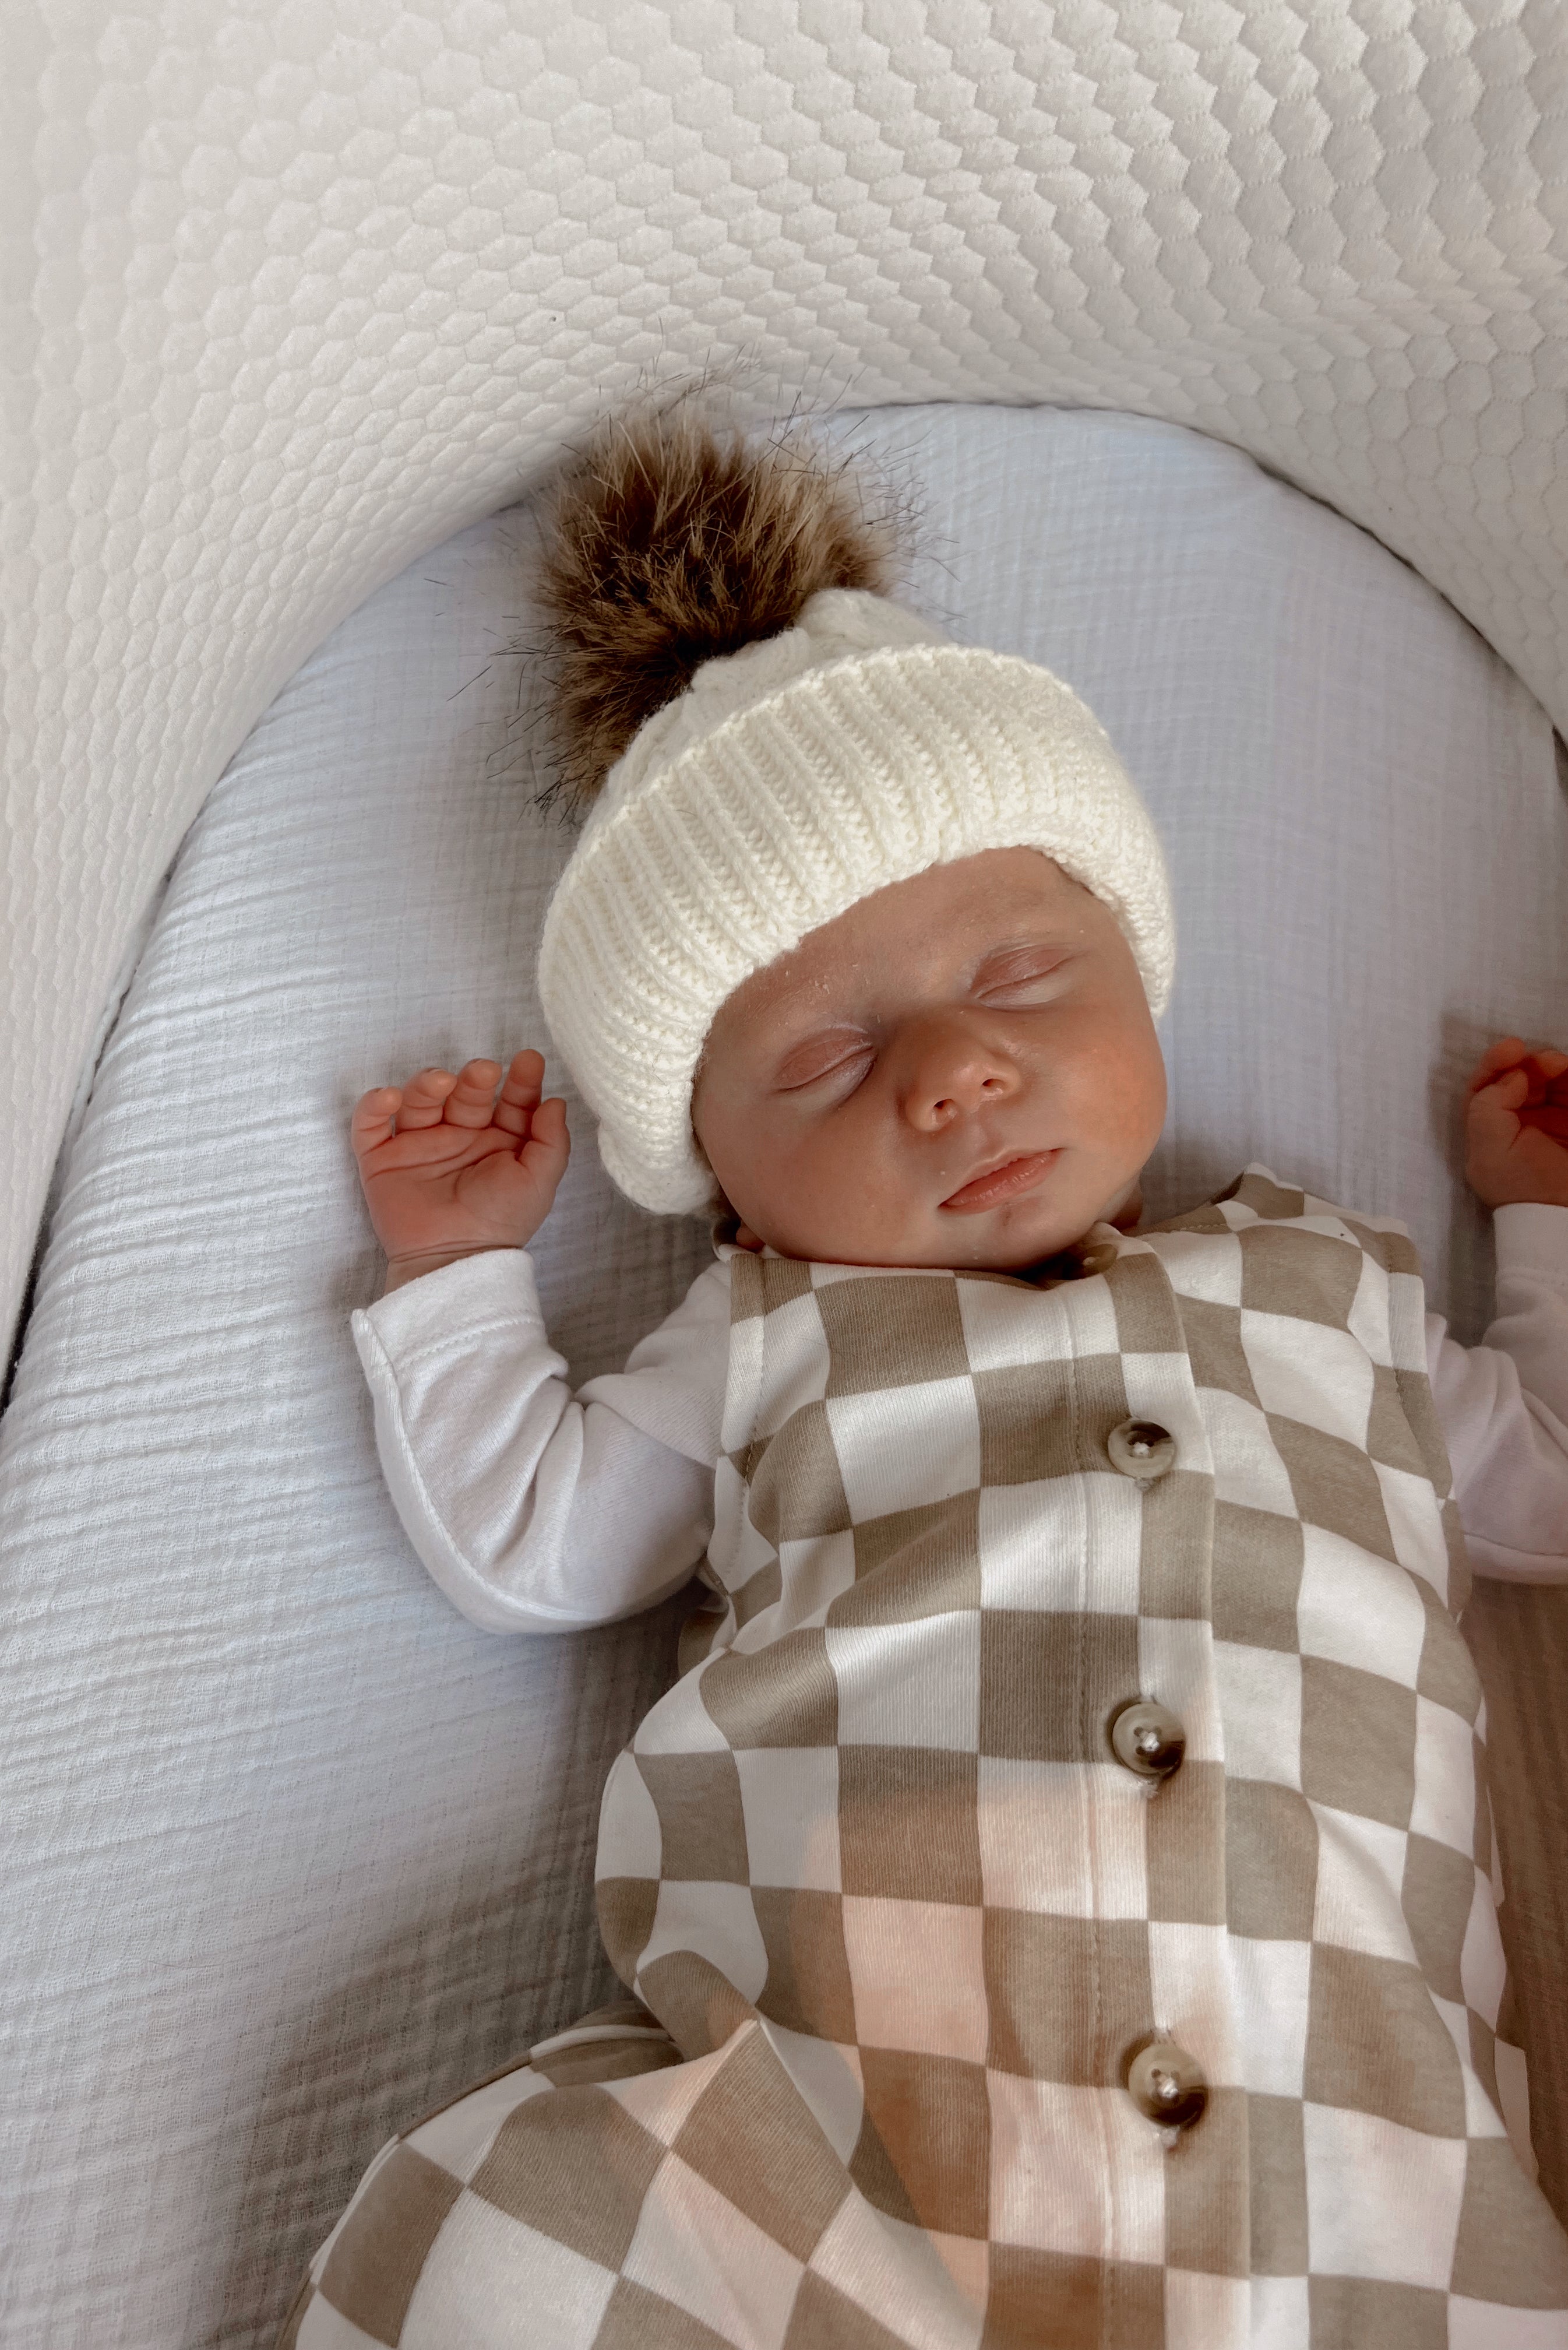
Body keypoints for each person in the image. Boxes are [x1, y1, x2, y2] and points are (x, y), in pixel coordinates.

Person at [287, 395, 1568, 2348]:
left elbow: (1541, 1488)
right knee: (506, 2242)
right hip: (851, 2143)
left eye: (1023, 978)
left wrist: (1532, 1232)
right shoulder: (763, 1331)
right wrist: (463, 1276)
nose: (949, 1071)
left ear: (1140, 972)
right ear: (719, 1178)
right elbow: (538, 1543)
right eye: (820, 1059)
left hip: (1354, 2169)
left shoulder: (1341, 1287)